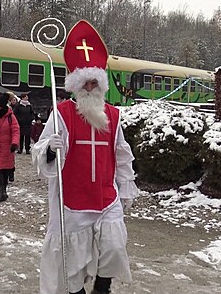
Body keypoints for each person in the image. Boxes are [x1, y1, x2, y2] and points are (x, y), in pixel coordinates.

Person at [32, 21, 139, 294]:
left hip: (105, 197)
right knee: (72, 263)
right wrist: (50, 150)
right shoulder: (63, 113)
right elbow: (42, 150)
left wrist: (125, 187)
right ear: (76, 85)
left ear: (101, 85)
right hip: (73, 201)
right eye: (85, 83)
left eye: (95, 82)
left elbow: (122, 155)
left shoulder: (113, 116)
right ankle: (75, 290)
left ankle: (103, 286)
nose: (90, 88)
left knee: (114, 246)